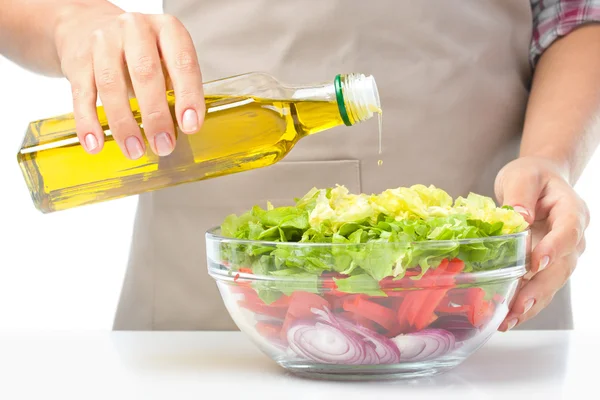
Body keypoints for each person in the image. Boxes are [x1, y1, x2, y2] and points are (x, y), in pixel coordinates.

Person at [1, 0, 597, 332]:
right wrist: (74, 21)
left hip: (473, 293)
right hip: (203, 302)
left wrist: (548, 159)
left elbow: (575, 19)